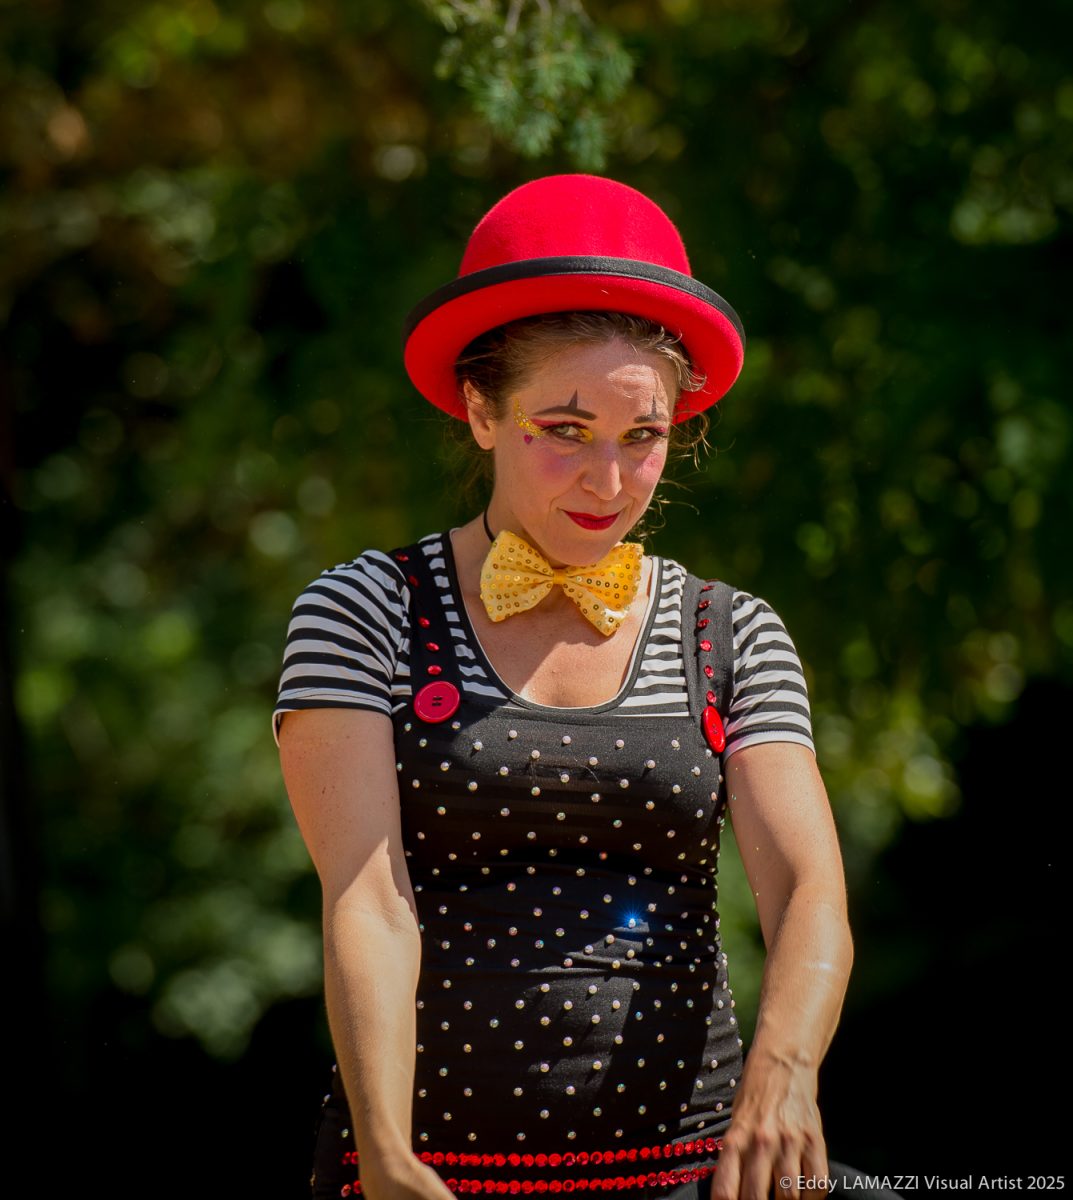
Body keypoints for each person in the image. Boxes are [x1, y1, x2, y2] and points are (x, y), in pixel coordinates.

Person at [274, 174, 856, 1200]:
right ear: (480, 410)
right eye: (565, 430)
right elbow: (367, 900)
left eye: (643, 437)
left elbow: (807, 891)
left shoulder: (731, 631)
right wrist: (390, 1156)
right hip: (429, 1180)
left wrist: (784, 1077)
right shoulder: (363, 610)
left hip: (691, 1174)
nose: (608, 482)